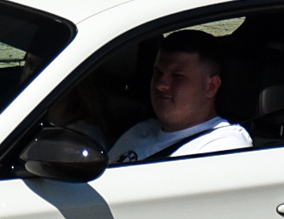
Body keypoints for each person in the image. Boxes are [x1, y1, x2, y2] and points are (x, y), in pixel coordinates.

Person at [106, 31, 252, 164]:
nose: (161, 85)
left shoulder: (224, 146)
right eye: (158, 73)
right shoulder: (140, 132)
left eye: (178, 76)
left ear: (211, 87)